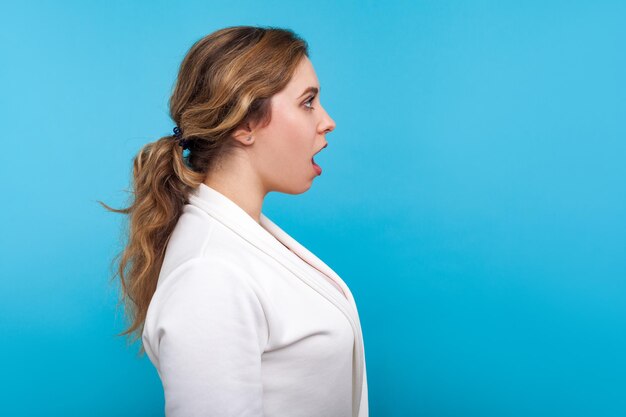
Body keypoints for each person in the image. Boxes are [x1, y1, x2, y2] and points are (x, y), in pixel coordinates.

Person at [104, 26, 368, 417]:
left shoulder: (242, 236)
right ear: (244, 124)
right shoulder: (209, 275)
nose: (327, 121)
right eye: (307, 102)